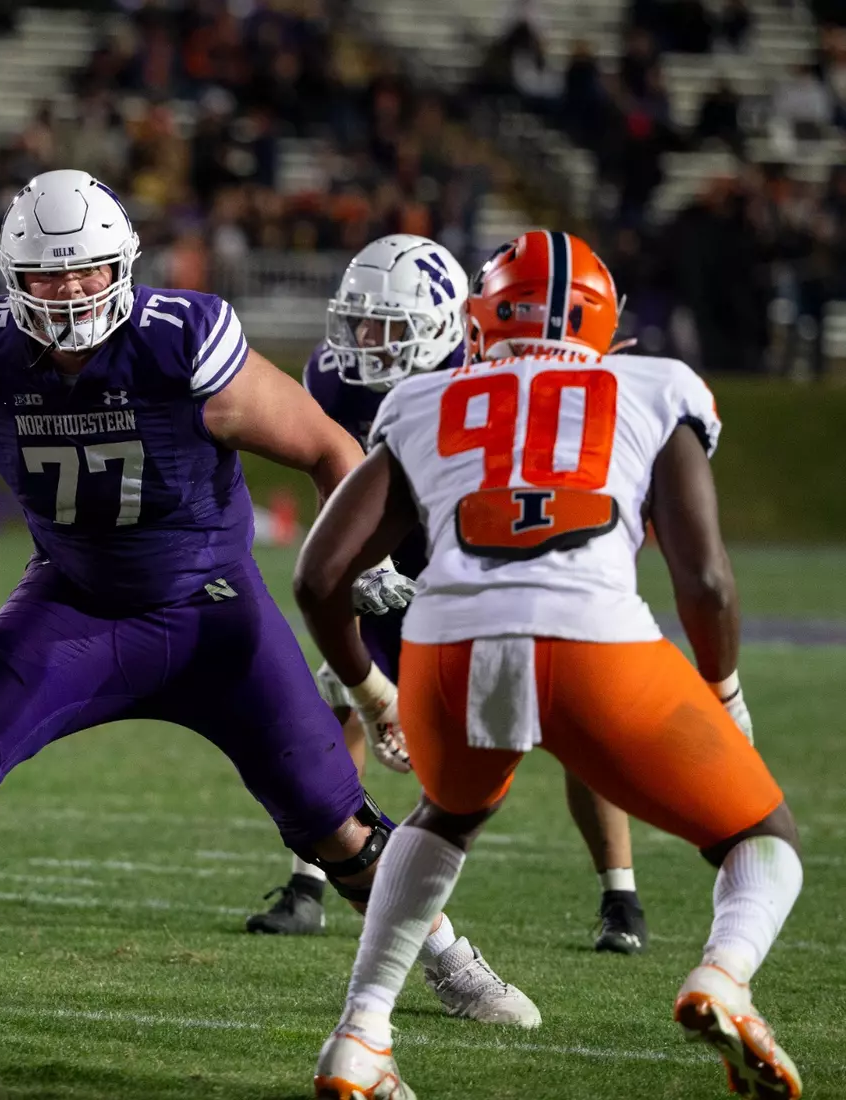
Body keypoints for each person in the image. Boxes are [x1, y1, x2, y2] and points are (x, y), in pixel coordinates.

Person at [0, 171, 539, 1031]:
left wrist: (357, 560)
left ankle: (449, 961)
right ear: (11, 278)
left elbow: (328, 447)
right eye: (49, 276)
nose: (69, 293)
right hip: (77, 603)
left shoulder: (182, 342)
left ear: (123, 265)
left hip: (213, 613)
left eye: (88, 271)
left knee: (335, 820)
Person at [299, 230, 802, 1099]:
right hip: (594, 641)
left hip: (449, 647)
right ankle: (723, 976)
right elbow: (707, 580)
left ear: (481, 318)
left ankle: (361, 1034)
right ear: (604, 322)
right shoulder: (655, 383)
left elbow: (317, 576)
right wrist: (721, 685)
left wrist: (368, 686)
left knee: (442, 819)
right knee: (762, 838)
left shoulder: (426, 398)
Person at [247, 235, 651, 956]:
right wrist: (365, 567)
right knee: (338, 693)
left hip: (493, 565)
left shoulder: (490, 374)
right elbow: (332, 482)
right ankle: (310, 878)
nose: (366, 341)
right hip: (392, 563)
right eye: (360, 322)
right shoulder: (336, 378)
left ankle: (621, 894)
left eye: (388, 327)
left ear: (442, 327)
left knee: (576, 724)